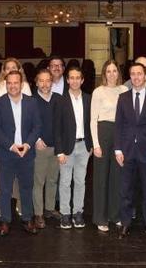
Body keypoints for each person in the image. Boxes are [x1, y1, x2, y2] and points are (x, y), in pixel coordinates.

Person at [115, 62, 146, 239]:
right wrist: (118, 150)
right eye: (132, 74)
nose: (136, 77)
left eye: (139, 74)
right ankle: (126, 223)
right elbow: (119, 125)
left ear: (145, 76)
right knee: (126, 190)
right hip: (126, 151)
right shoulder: (123, 98)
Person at [0, 70, 41, 236]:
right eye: (9, 83)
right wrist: (11, 146)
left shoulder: (32, 103)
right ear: (6, 84)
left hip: (26, 153)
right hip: (7, 154)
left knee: (26, 188)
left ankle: (27, 219)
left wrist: (27, 145)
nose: (13, 86)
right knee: (5, 190)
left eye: (16, 82)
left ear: (22, 84)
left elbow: (37, 127)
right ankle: (5, 221)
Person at [90, 60, 128, 232]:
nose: (112, 74)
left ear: (118, 73)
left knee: (117, 177)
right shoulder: (98, 92)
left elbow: (128, 118)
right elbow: (92, 120)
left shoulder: (124, 90)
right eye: (108, 71)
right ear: (104, 73)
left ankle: (115, 215)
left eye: (114, 71)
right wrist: (96, 144)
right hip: (103, 134)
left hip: (120, 133)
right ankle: (100, 217)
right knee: (101, 179)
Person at [54, 66, 93, 229]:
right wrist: (59, 151)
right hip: (66, 148)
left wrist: (91, 145)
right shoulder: (60, 100)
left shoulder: (88, 98)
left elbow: (91, 123)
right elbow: (56, 128)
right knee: (64, 182)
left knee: (80, 181)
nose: (75, 80)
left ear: (82, 80)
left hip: (84, 146)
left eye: (78, 77)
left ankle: (78, 212)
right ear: (67, 80)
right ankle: (65, 213)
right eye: (72, 77)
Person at [32, 69, 61, 228]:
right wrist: (36, 139)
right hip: (40, 147)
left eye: (47, 80)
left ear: (52, 82)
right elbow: (27, 123)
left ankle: (49, 208)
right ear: (36, 82)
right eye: (41, 81)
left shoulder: (58, 99)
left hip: (56, 146)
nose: (44, 84)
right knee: (39, 181)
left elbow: (62, 122)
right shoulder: (31, 100)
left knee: (52, 180)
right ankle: (38, 213)